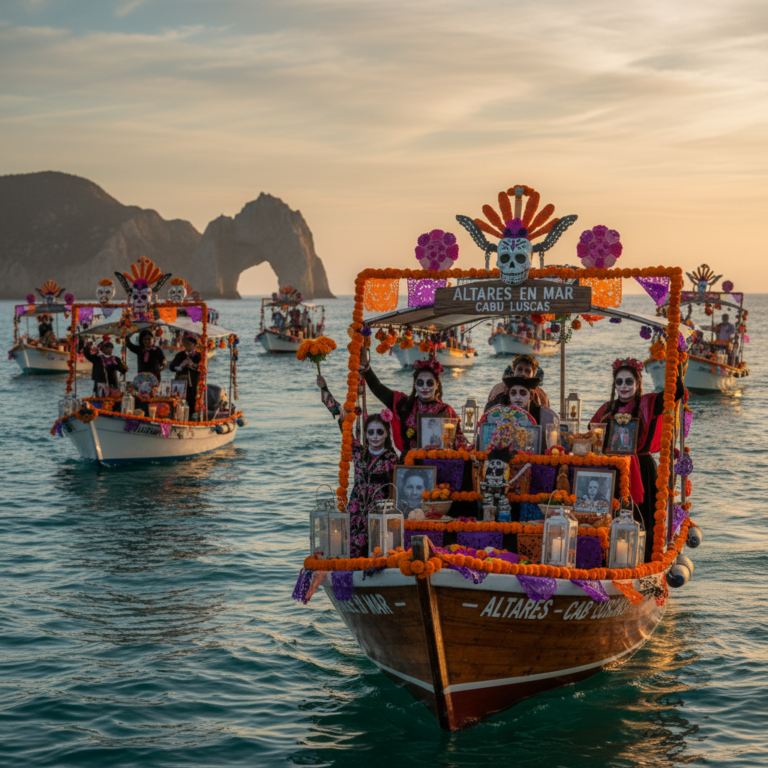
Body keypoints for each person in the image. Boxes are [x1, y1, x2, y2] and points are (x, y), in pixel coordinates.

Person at [591, 357, 686, 562]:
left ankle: (643, 561)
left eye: (628, 381)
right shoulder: (607, 409)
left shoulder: (650, 402)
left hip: (642, 468)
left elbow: (676, 392)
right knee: (611, 517)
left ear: (638, 383)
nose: (623, 386)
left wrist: (675, 362)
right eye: (619, 382)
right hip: (613, 469)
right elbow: (591, 436)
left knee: (643, 518)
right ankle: (609, 559)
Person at [316, 375, 399, 558]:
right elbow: (343, 418)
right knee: (353, 548)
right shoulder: (359, 453)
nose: (375, 437)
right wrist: (325, 388)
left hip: (378, 511)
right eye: (371, 432)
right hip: (357, 509)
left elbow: (396, 488)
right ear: (366, 435)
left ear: (386, 434)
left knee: (376, 549)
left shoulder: (392, 458)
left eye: (379, 432)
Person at [363, 359, 466, 455]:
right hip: (409, 463)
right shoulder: (404, 404)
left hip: (438, 463)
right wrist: (366, 369)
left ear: (437, 385)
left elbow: (459, 442)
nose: (424, 387)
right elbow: (378, 388)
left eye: (429, 383)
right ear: (415, 385)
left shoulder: (446, 410)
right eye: (420, 383)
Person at [169, 333, 202, 417]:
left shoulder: (198, 356)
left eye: (189, 344)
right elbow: (172, 367)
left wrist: (192, 365)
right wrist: (180, 366)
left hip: (193, 384)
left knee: (192, 402)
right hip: (180, 383)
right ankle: (177, 418)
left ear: (194, 345)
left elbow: (202, 368)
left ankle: (191, 418)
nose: (186, 345)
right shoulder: (180, 355)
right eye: (185, 344)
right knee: (178, 402)